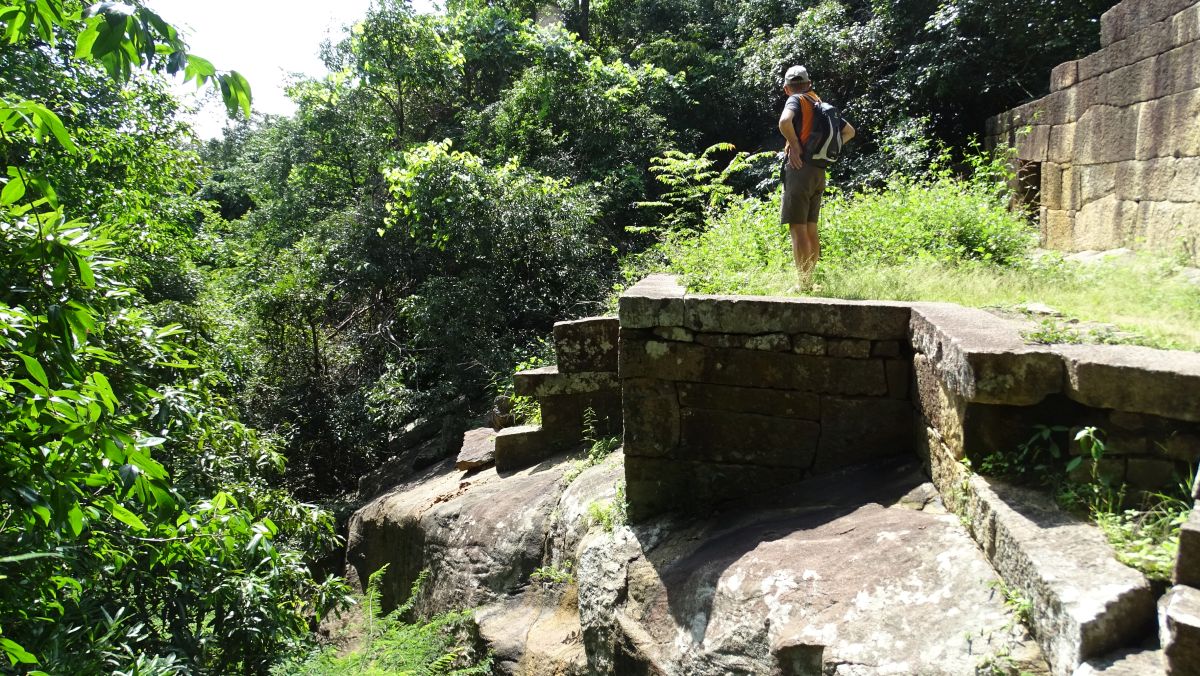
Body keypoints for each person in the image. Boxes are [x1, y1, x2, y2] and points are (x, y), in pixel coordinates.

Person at [777, 65, 854, 287]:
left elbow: (784, 122)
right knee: (811, 228)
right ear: (808, 83)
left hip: (800, 170)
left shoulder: (796, 99)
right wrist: (822, 151)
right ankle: (809, 281)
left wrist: (795, 146)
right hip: (818, 172)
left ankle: (804, 284)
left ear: (786, 88)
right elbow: (849, 132)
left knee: (797, 228)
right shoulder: (817, 101)